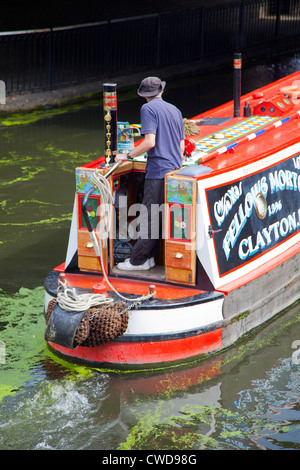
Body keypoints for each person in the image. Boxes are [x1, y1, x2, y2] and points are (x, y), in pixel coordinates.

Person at [115, 76, 185, 270]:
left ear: (144, 95)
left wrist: (126, 156)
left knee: (149, 217)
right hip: (175, 171)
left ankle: (138, 261)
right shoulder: (175, 110)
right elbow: (181, 148)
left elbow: (149, 142)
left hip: (157, 171)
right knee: (163, 217)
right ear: (161, 91)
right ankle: (150, 258)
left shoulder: (147, 109)